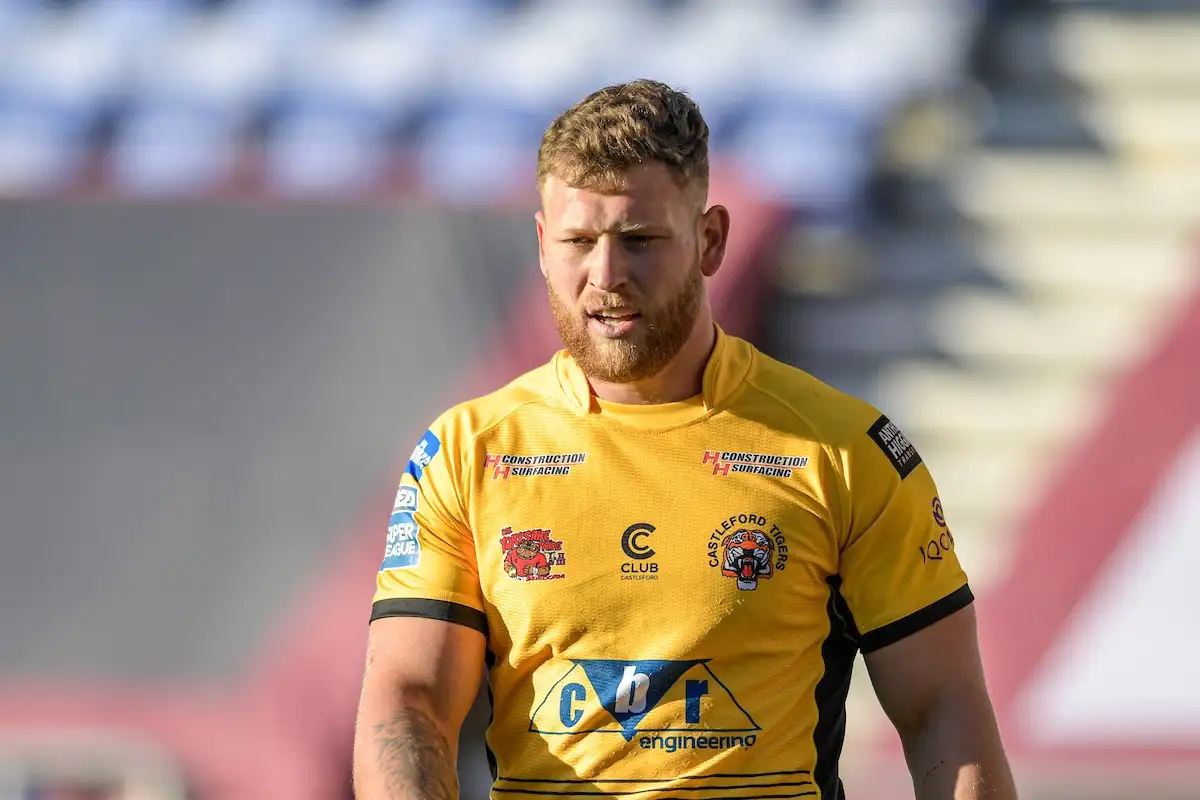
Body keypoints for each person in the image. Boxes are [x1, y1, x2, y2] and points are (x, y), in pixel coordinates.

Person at [352, 79, 1016, 800]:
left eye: (640, 241)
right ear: (543, 246)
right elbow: (408, 699)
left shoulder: (845, 451)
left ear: (710, 239)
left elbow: (942, 708)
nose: (605, 277)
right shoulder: (465, 453)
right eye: (579, 241)